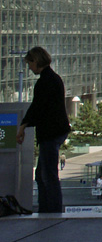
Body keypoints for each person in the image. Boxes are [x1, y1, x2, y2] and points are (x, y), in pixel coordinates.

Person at [16, 47, 71, 214]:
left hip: (50, 133)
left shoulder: (45, 81)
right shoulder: (53, 78)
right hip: (55, 131)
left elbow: (38, 107)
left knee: (47, 176)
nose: (29, 68)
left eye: (30, 64)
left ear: (36, 61)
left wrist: (24, 125)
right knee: (42, 174)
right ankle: (47, 210)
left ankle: (50, 212)